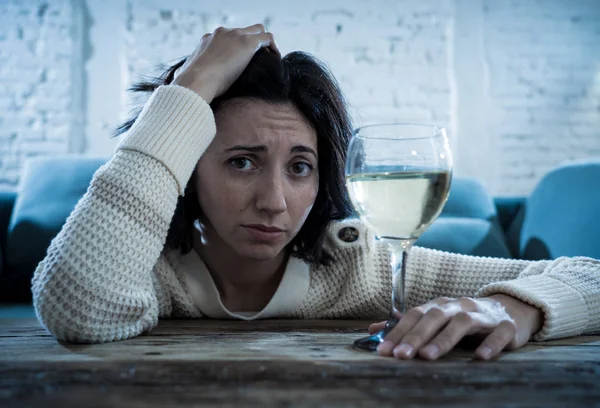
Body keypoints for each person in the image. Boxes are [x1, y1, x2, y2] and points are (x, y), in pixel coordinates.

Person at [32, 25, 600, 361]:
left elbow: (592, 276)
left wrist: (512, 307)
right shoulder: (145, 270)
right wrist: (191, 87)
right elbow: (76, 308)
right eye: (241, 162)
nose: (275, 201)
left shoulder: (361, 268)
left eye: (300, 167)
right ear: (186, 170)